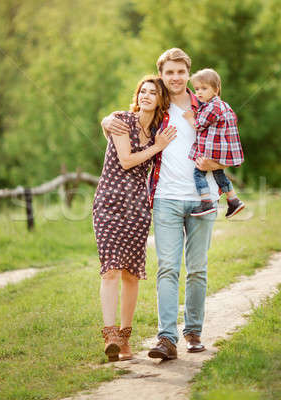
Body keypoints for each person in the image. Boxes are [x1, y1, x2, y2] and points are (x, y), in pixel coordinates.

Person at [102, 48, 226, 360]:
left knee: (197, 269)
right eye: (169, 72)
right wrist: (107, 121)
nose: (175, 78)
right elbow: (129, 120)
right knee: (168, 268)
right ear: (162, 75)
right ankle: (167, 339)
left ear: (188, 73)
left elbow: (230, 143)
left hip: (203, 197)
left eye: (180, 72)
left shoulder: (208, 105)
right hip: (166, 198)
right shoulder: (158, 106)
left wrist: (217, 162)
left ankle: (193, 332)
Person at [93, 75, 177, 362]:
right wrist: (156, 148)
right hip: (109, 203)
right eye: (143, 90)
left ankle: (125, 339)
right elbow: (127, 159)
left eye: (153, 92)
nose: (146, 95)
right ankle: (110, 335)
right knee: (111, 270)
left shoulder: (159, 131)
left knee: (131, 274)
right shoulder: (121, 120)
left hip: (138, 208)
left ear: (160, 100)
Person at [183, 68, 245, 218]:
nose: (199, 92)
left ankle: (206, 202)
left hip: (212, 150)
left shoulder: (212, 107)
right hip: (221, 149)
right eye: (197, 89)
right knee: (219, 173)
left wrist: (190, 117)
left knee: (198, 173)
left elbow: (198, 126)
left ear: (216, 90)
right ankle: (233, 200)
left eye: (204, 88)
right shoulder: (224, 105)